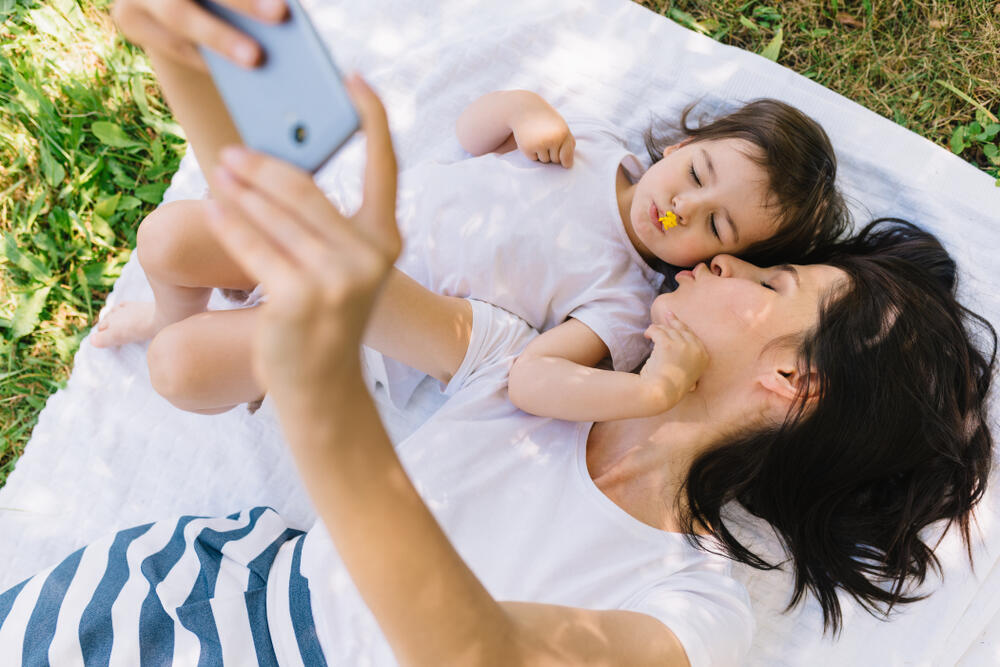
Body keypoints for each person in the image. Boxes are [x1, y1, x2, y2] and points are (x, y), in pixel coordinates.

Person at [1, 8, 994, 662]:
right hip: (173, 589)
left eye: (770, 277)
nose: (718, 261)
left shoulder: (691, 606)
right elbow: (305, 261)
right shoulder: (518, 356)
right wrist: (183, 59)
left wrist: (322, 399)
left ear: (793, 379)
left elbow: (483, 656)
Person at [92, 0, 849, 424]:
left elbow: (538, 377)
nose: (682, 206)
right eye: (696, 173)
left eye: (715, 224)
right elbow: (468, 136)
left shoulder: (622, 303)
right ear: (686, 141)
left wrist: (646, 391)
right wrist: (523, 111)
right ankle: (171, 309)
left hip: (362, 322)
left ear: (724, 258)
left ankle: (243, 358)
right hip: (340, 223)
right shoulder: (594, 144)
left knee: (180, 367)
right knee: (166, 237)